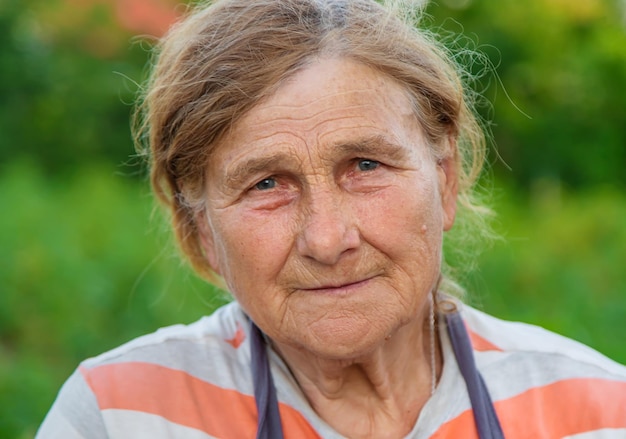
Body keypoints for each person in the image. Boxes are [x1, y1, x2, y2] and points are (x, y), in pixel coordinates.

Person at [37, 0, 626, 438]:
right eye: (266, 184)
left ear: (445, 180)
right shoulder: (117, 415)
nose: (327, 239)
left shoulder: (597, 411)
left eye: (365, 165)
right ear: (201, 233)